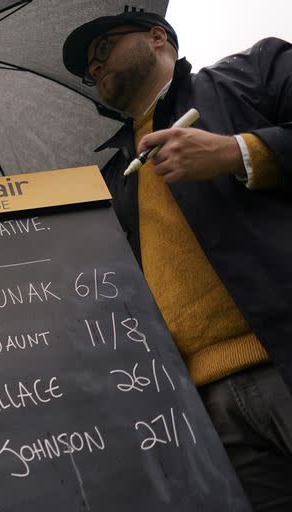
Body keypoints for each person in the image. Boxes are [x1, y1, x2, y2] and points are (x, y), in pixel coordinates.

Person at [62, 10, 292, 510]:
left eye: (102, 50)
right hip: (203, 408)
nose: (94, 67)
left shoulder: (253, 74)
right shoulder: (110, 179)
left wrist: (240, 152)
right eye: (87, 69)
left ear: (157, 36)